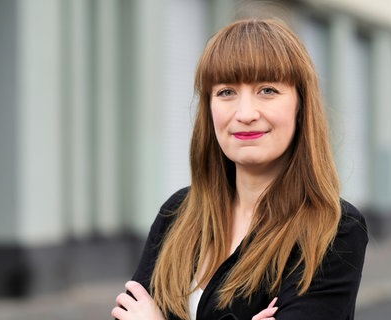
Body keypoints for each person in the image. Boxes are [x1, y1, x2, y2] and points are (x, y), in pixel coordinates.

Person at [112, 18, 368, 320]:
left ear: (301, 105)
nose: (245, 113)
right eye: (226, 92)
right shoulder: (177, 215)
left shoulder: (332, 230)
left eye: (268, 90)